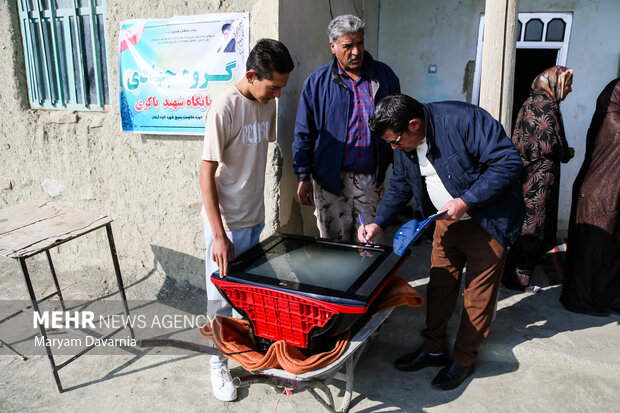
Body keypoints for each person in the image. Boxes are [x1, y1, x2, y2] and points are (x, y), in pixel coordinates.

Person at [359, 94, 524, 390]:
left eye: (396, 141)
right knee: (440, 286)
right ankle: (433, 349)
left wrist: (466, 200)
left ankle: (463, 360)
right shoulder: (401, 142)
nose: (394, 147)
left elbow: (508, 163)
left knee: (477, 297)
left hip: (486, 221)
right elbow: (400, 183)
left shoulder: (463, 121)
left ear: (414, 124)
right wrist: (377, 222)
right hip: (443, 223)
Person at [199, 38, 294, 402]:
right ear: (252, 75)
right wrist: (219, 235)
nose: (278, 95)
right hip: (224, 225)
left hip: (253, 220)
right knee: (219, 300)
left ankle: (248, 355)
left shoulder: (266, 104)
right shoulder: (224, 107)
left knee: (249, 297)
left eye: (281, 88)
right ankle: (217, 365)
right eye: (273, 87)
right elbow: (205, 174)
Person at [293, 14, 400, 241]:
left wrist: (398, 166)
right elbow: (304, 132)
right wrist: (303, 175)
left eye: (359, 43)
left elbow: (397, 123)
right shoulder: (317, 83)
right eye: (347, 46)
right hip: (330, 180)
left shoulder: (384, 77)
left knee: (370, 244)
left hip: (370, 179)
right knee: (334, 245)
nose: (355, 51)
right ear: (333, 47)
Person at [503, 66, 575, 291]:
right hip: (537, 179)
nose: (570, 90)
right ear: (554, 83)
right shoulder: (544, 105)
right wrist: (566, 152)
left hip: (533, 176)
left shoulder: (532, 102)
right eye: (568, 84)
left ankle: (517, 273)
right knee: (533, 225)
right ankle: (518, 279)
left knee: (531, 224)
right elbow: (547, 145)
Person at [560, 78, 620, 316]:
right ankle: (588, 301)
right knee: (594, 253)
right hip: (603, 198)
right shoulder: (613, 124)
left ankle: (599, 297)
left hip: (602, 195)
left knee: (602, 252)